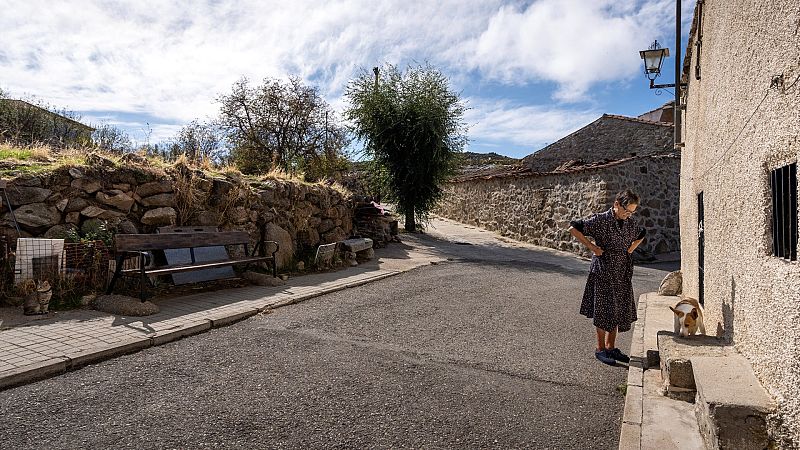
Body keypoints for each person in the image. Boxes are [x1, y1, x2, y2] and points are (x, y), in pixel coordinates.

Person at [568, 189, 646, 366]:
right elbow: (573, 227)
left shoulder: (630, 223)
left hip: (622, 271)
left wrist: (630, 250)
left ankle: (611, 348)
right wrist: (592, 247)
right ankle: (600, 349)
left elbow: (642, 234)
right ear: (617, 204)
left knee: (617, 309)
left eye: (632, 212)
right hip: (603, 270)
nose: (628, 215)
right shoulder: (600, 220)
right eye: (626, 211)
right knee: (603, 310)